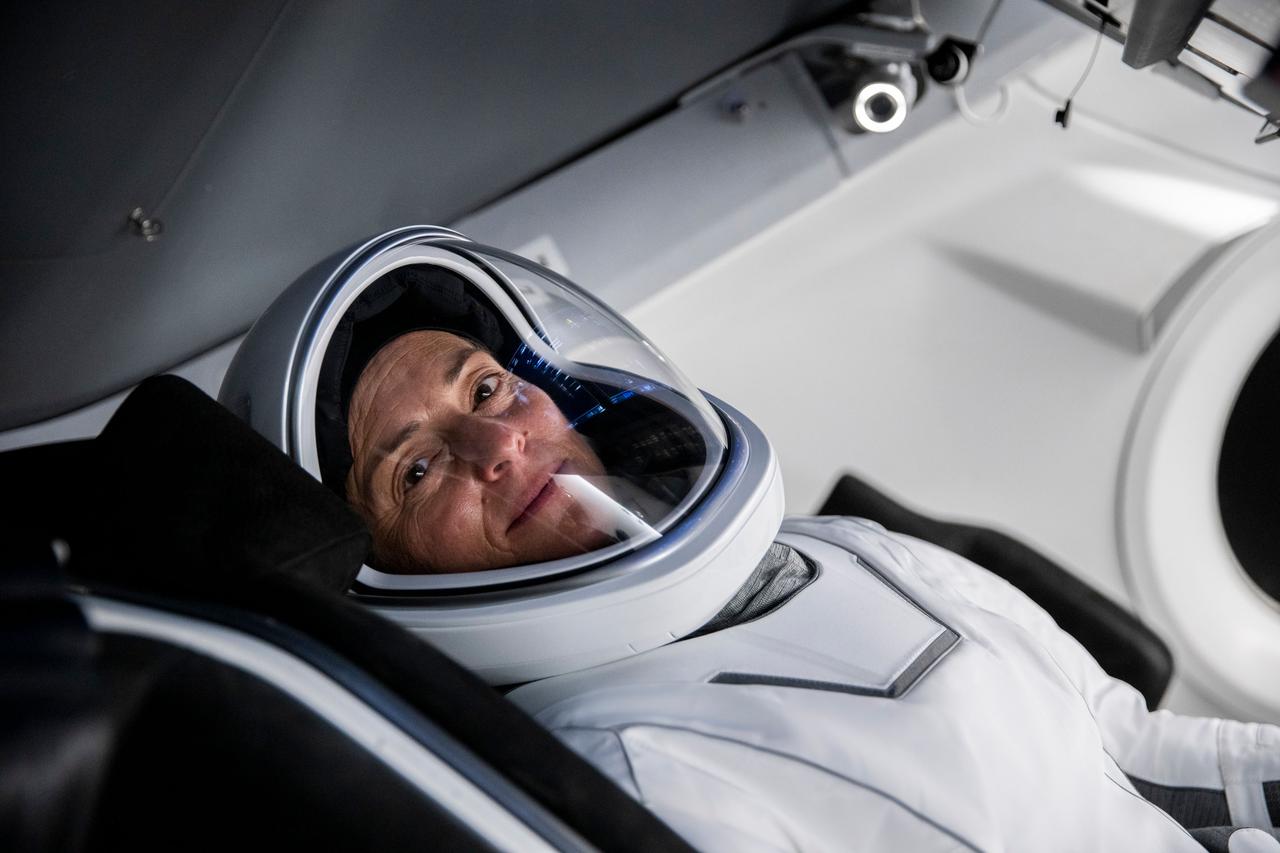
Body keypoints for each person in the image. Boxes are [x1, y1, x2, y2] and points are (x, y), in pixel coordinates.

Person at [220, 227, 1280, 852]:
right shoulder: (617, 765)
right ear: (379, 565)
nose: (496, 439)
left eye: (487, 385)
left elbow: (1132, 746)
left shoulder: (846, 547)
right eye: (415, 467)